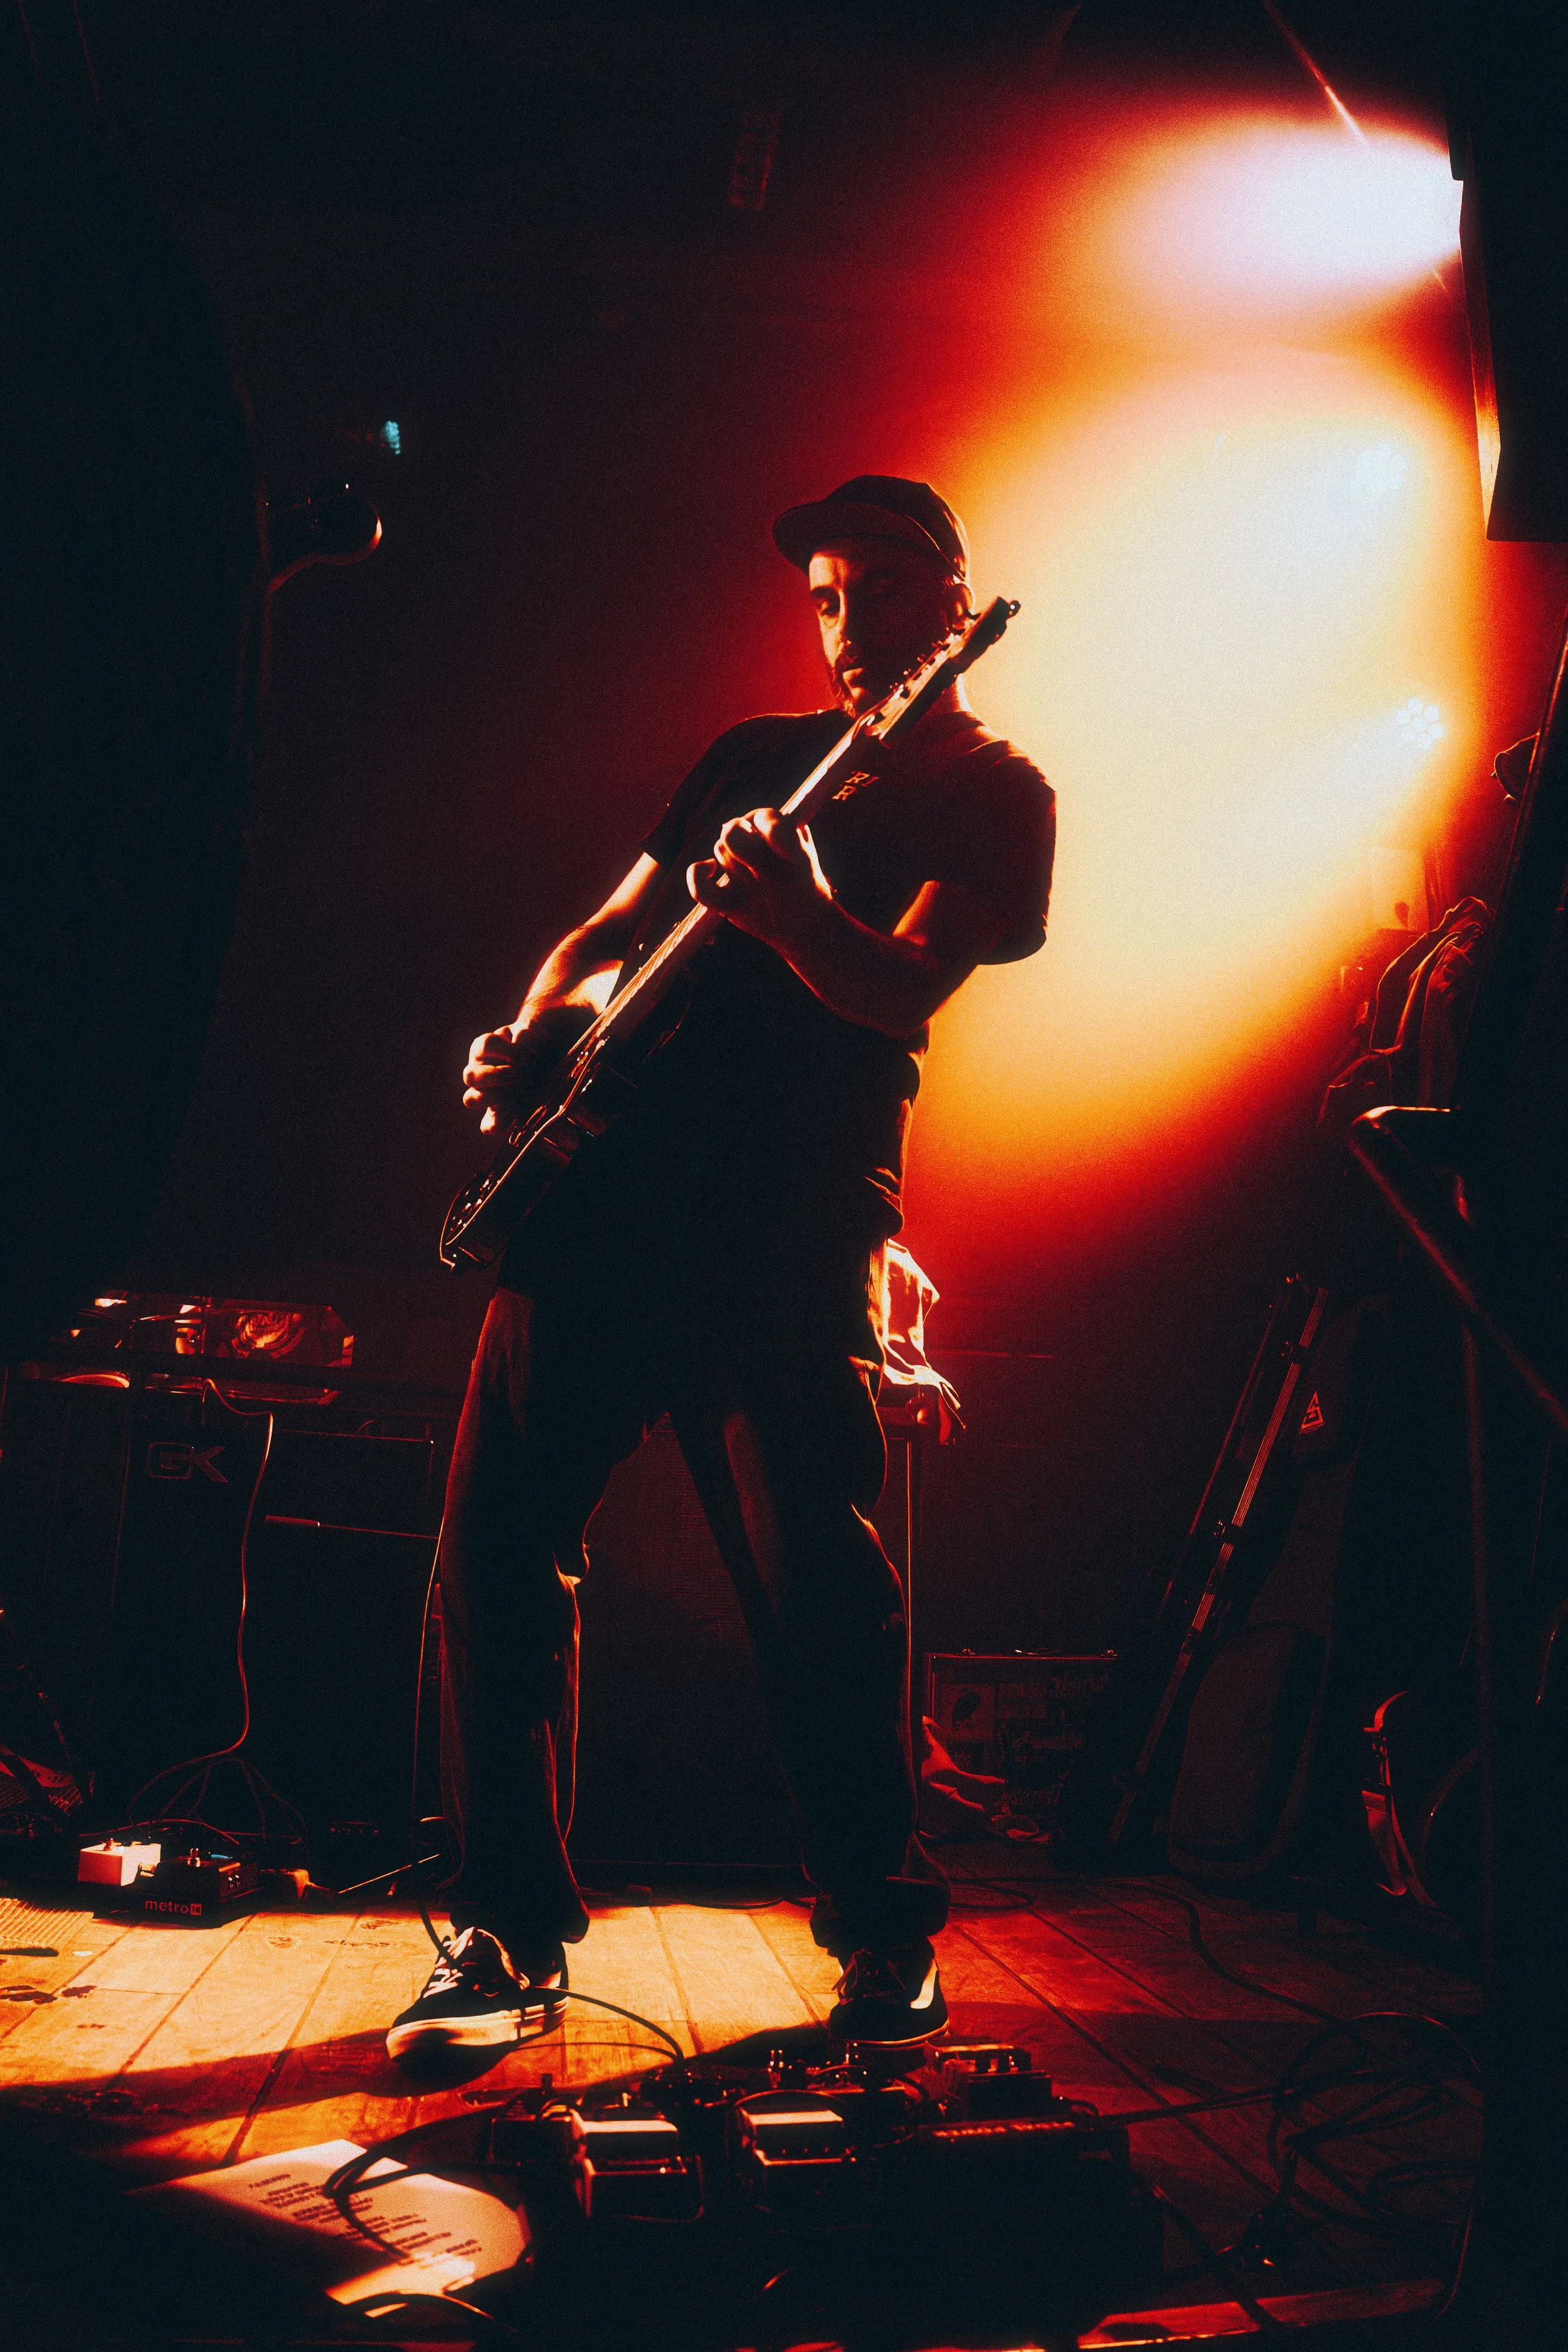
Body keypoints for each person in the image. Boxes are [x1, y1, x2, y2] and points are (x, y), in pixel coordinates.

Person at [388, 476, 1056, 2064]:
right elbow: (603, 931)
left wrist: (795, 914)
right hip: (596, 1205)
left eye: (876, 589)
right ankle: (503, 1929)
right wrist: (535, 1031)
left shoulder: (997, 790)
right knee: (492, 1559)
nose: (845, 624)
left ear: (951, 596)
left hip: (783, 1219)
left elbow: (899, 992)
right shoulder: (754, 755)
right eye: (823, 597)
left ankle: (881, 1936)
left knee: (813, 1585)